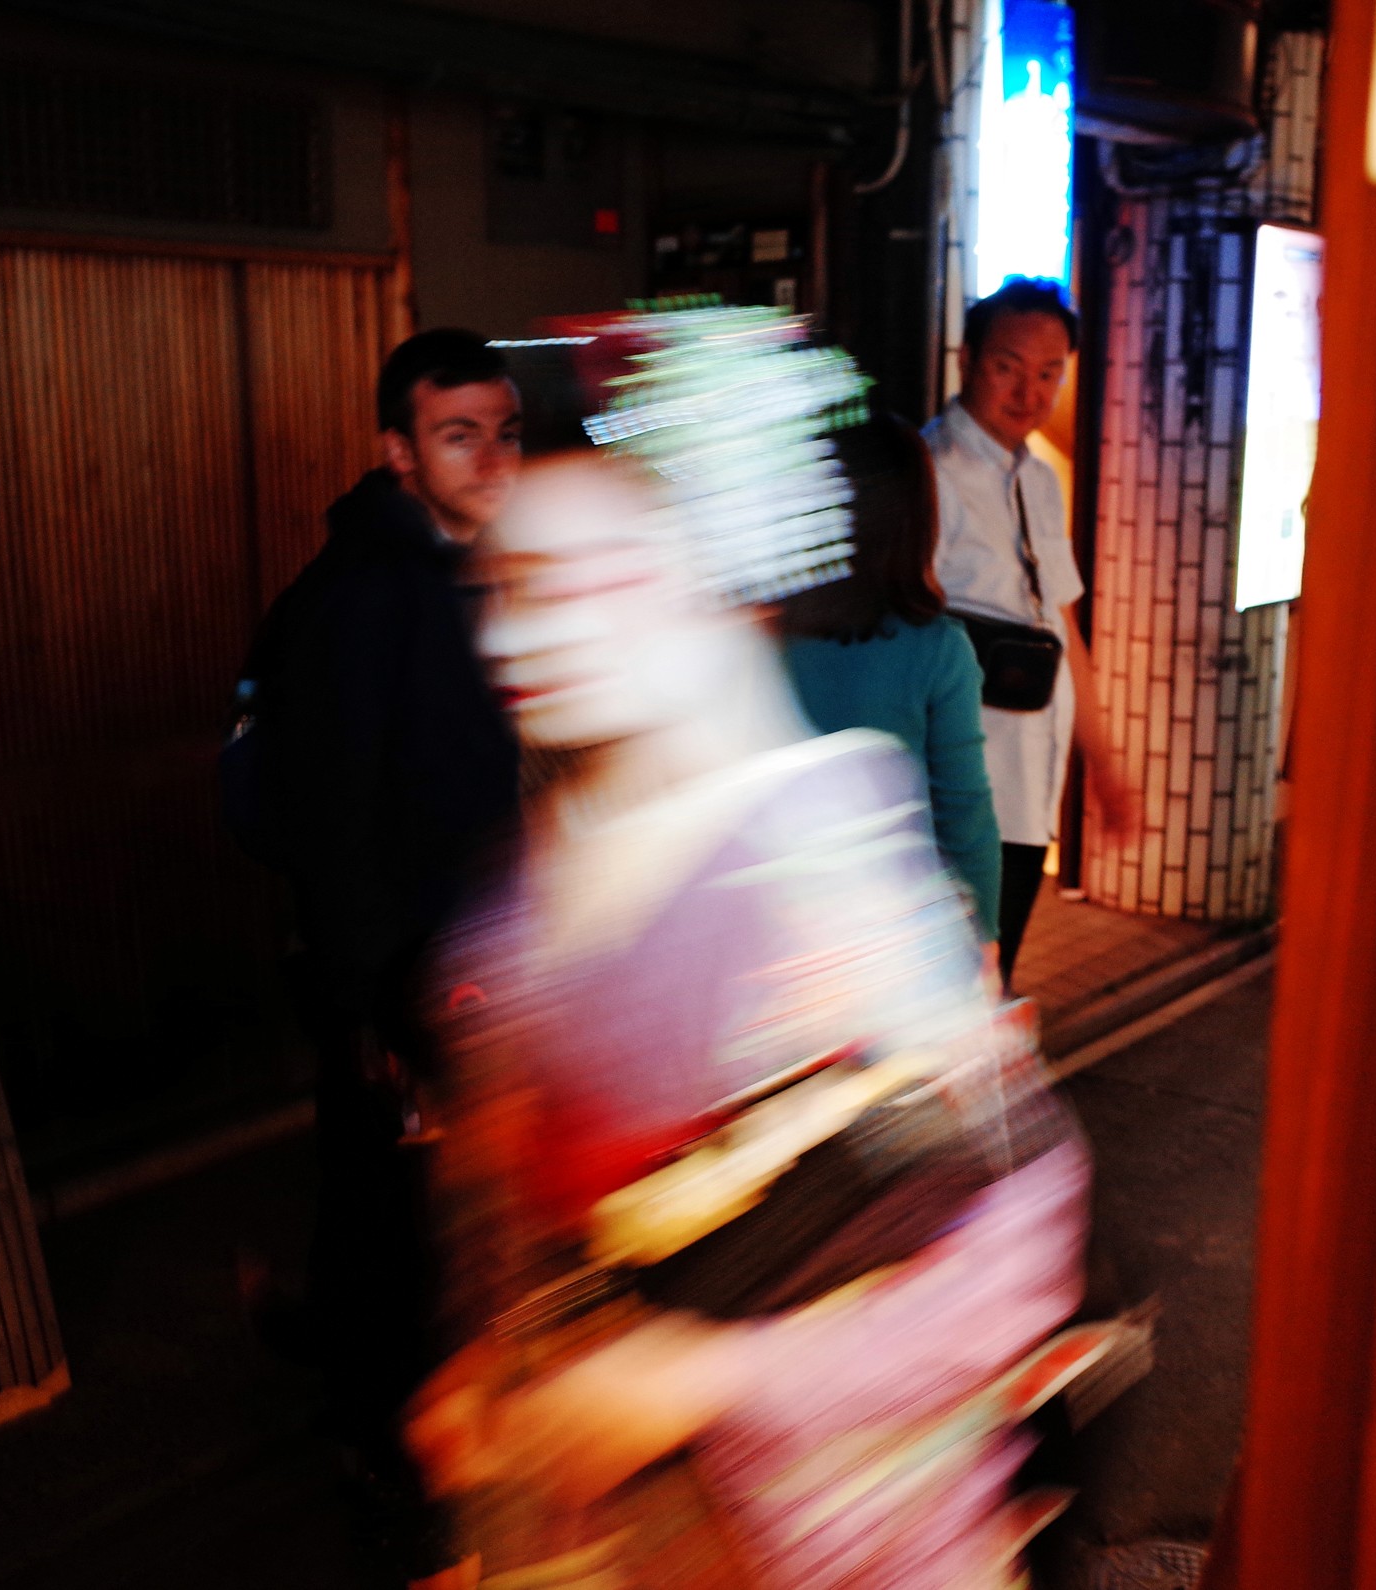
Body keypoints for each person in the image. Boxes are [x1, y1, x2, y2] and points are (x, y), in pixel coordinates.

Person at [404, 308, 1099, 1590]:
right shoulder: (546, 862)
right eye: (504, 586)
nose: (511, 638)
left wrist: (706, 1374)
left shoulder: (817, 863)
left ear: (710, 576)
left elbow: (1016, 1247)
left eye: (577, 583)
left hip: (835, 1539)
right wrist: (489, 1360)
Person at [242, 326, 522, 1582]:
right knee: (391, 1216)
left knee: (412, 1211)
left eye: (503, 429)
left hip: (462, 955)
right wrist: (369, 1006)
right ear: (398, 451)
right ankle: (378, 1451)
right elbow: (331, 813)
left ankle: (386, 1410)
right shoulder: (358, 595)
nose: (490, 456)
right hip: (396, 970)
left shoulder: (472, 569)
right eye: (458, 433)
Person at [925, 278, 1134, 986]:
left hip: (1029, 784)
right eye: (1008, 367)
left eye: (1050, 373)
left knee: (990, 975)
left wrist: (1102, 763)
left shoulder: (1040, 478)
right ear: (967, 360)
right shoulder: (931, 473)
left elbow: (1063, 624)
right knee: (959, 985)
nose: (1030, 391)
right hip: (961, 787)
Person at [780, 412, 1003, 943]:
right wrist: (985, 936)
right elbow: (963, 812)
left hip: (777, 918)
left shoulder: (759, 639)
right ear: (915, 518)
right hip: (894, 931)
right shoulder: (936, 648)